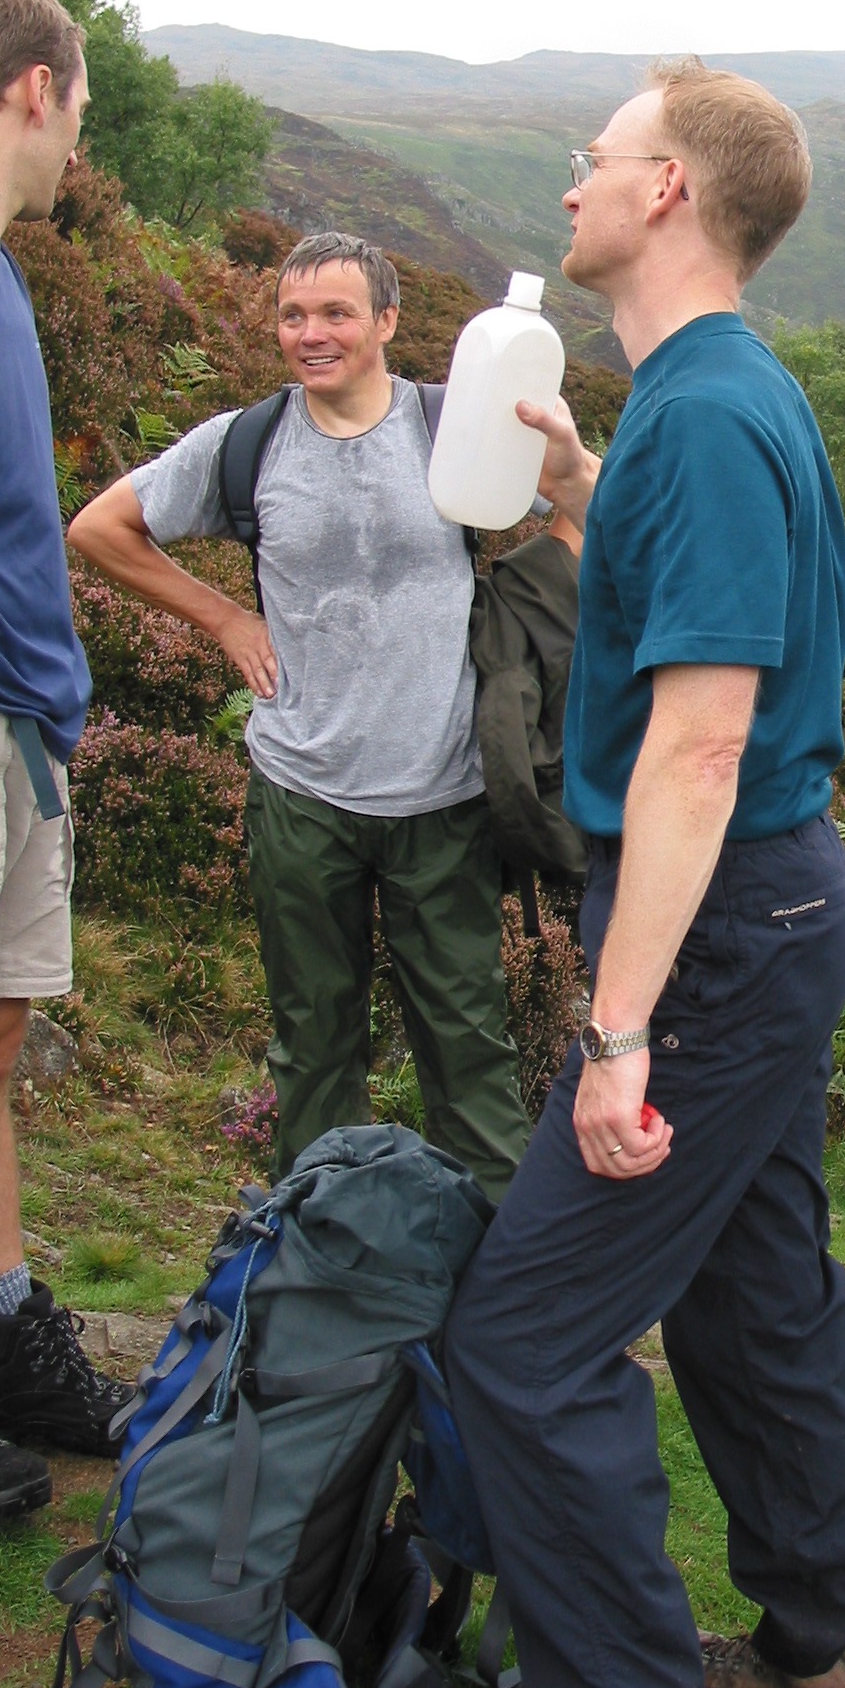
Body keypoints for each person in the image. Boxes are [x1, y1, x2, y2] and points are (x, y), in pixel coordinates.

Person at [445, 59, 845, 1688]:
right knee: (751, 1290)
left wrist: (617, 1028)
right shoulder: (706, 393)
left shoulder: (703, 418)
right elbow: (676, 607)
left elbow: (702, 743)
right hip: (774, 902)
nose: (573, 184)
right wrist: (582, 483)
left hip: (717, 926)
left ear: (668, 193)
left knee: (526, 1341)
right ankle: (822, 1658)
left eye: (598, 157)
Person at [68, 235, 531, 1200]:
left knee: (469, 1058)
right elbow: (101, 528)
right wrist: (224, 617)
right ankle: (320, 1251)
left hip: (443, 800)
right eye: (292, 316)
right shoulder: (246, 444)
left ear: (387, 322)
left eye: (336, 314)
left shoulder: (453, 427)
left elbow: (584, 498)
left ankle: (502, 1274)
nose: (311, 335)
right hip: (301, 797)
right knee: (314, 1053)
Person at [0, 0, 129, 1505]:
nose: (78, 141)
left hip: (24, 730)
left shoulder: (8, 281)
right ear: (38, 88)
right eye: (81, 105)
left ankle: (8, 1333)